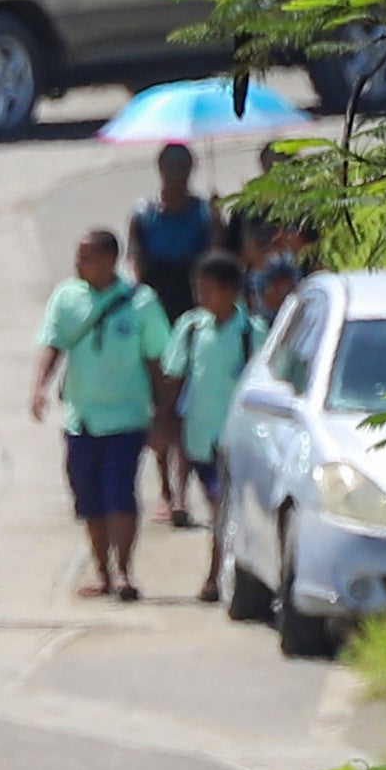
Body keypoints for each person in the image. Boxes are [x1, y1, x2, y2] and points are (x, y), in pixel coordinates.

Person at [31, 227, 171, 603]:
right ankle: (102, 572)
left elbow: (159, 359)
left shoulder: (140, 303)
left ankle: (124, 571)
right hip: (81, 419)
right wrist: (40, 387)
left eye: (87, 256)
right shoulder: (66, 297)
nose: (79, 263)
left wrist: (164, 414)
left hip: (126, 419)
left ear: (110, 259)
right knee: (89, 498)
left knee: (120, 494)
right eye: (78, 256)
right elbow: (53, 343)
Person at [128, 143, 220, 518]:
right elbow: (136, 261)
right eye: (171, 168)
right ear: (160, 170)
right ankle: (165, 488)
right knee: (158, 403)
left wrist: (218, 218)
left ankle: (180, 495)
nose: (177, 176)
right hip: (156, 313)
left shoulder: (203, 213)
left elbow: (215, 260)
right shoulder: (144, 213)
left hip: (192, 310)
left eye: (184, 168)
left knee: (183, 403)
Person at [163, 255, 251, 602]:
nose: (202, 296)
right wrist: (164, 425)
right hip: (199, 439)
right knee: (221, 508)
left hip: (237, 440)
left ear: (230, 292)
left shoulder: (251, 333)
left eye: (209, 289)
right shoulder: (191, 328)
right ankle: (223, 573)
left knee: (222, 506)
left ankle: (217, 576)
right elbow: (173, 377)